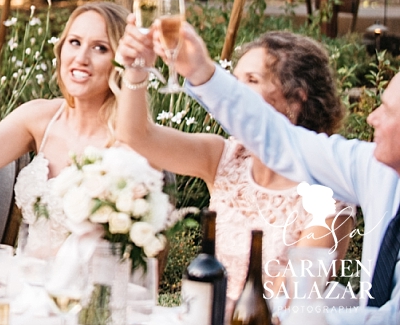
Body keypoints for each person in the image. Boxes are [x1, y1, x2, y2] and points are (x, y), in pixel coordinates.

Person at [159, 20, 400, 323]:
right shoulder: (372, 168)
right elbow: (280, 139)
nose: (372, 118)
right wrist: (201, 72)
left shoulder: (335, 197)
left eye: (388, 112)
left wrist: (306, 319)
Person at [116, 25, 355, 310]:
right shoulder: (225, 157)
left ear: (297, 98)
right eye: (234, 80)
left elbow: (287, 301)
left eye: (251, 80)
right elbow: (136, 135)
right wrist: (136, 69)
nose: (233, 93)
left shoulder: (328, 197)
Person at [0, 0, 127, 258]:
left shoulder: (129, 137)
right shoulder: (39, 118)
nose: (81, 58)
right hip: (27, 281)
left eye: (100, 48)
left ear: (121, 61)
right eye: (75, 42)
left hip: (91, 291)